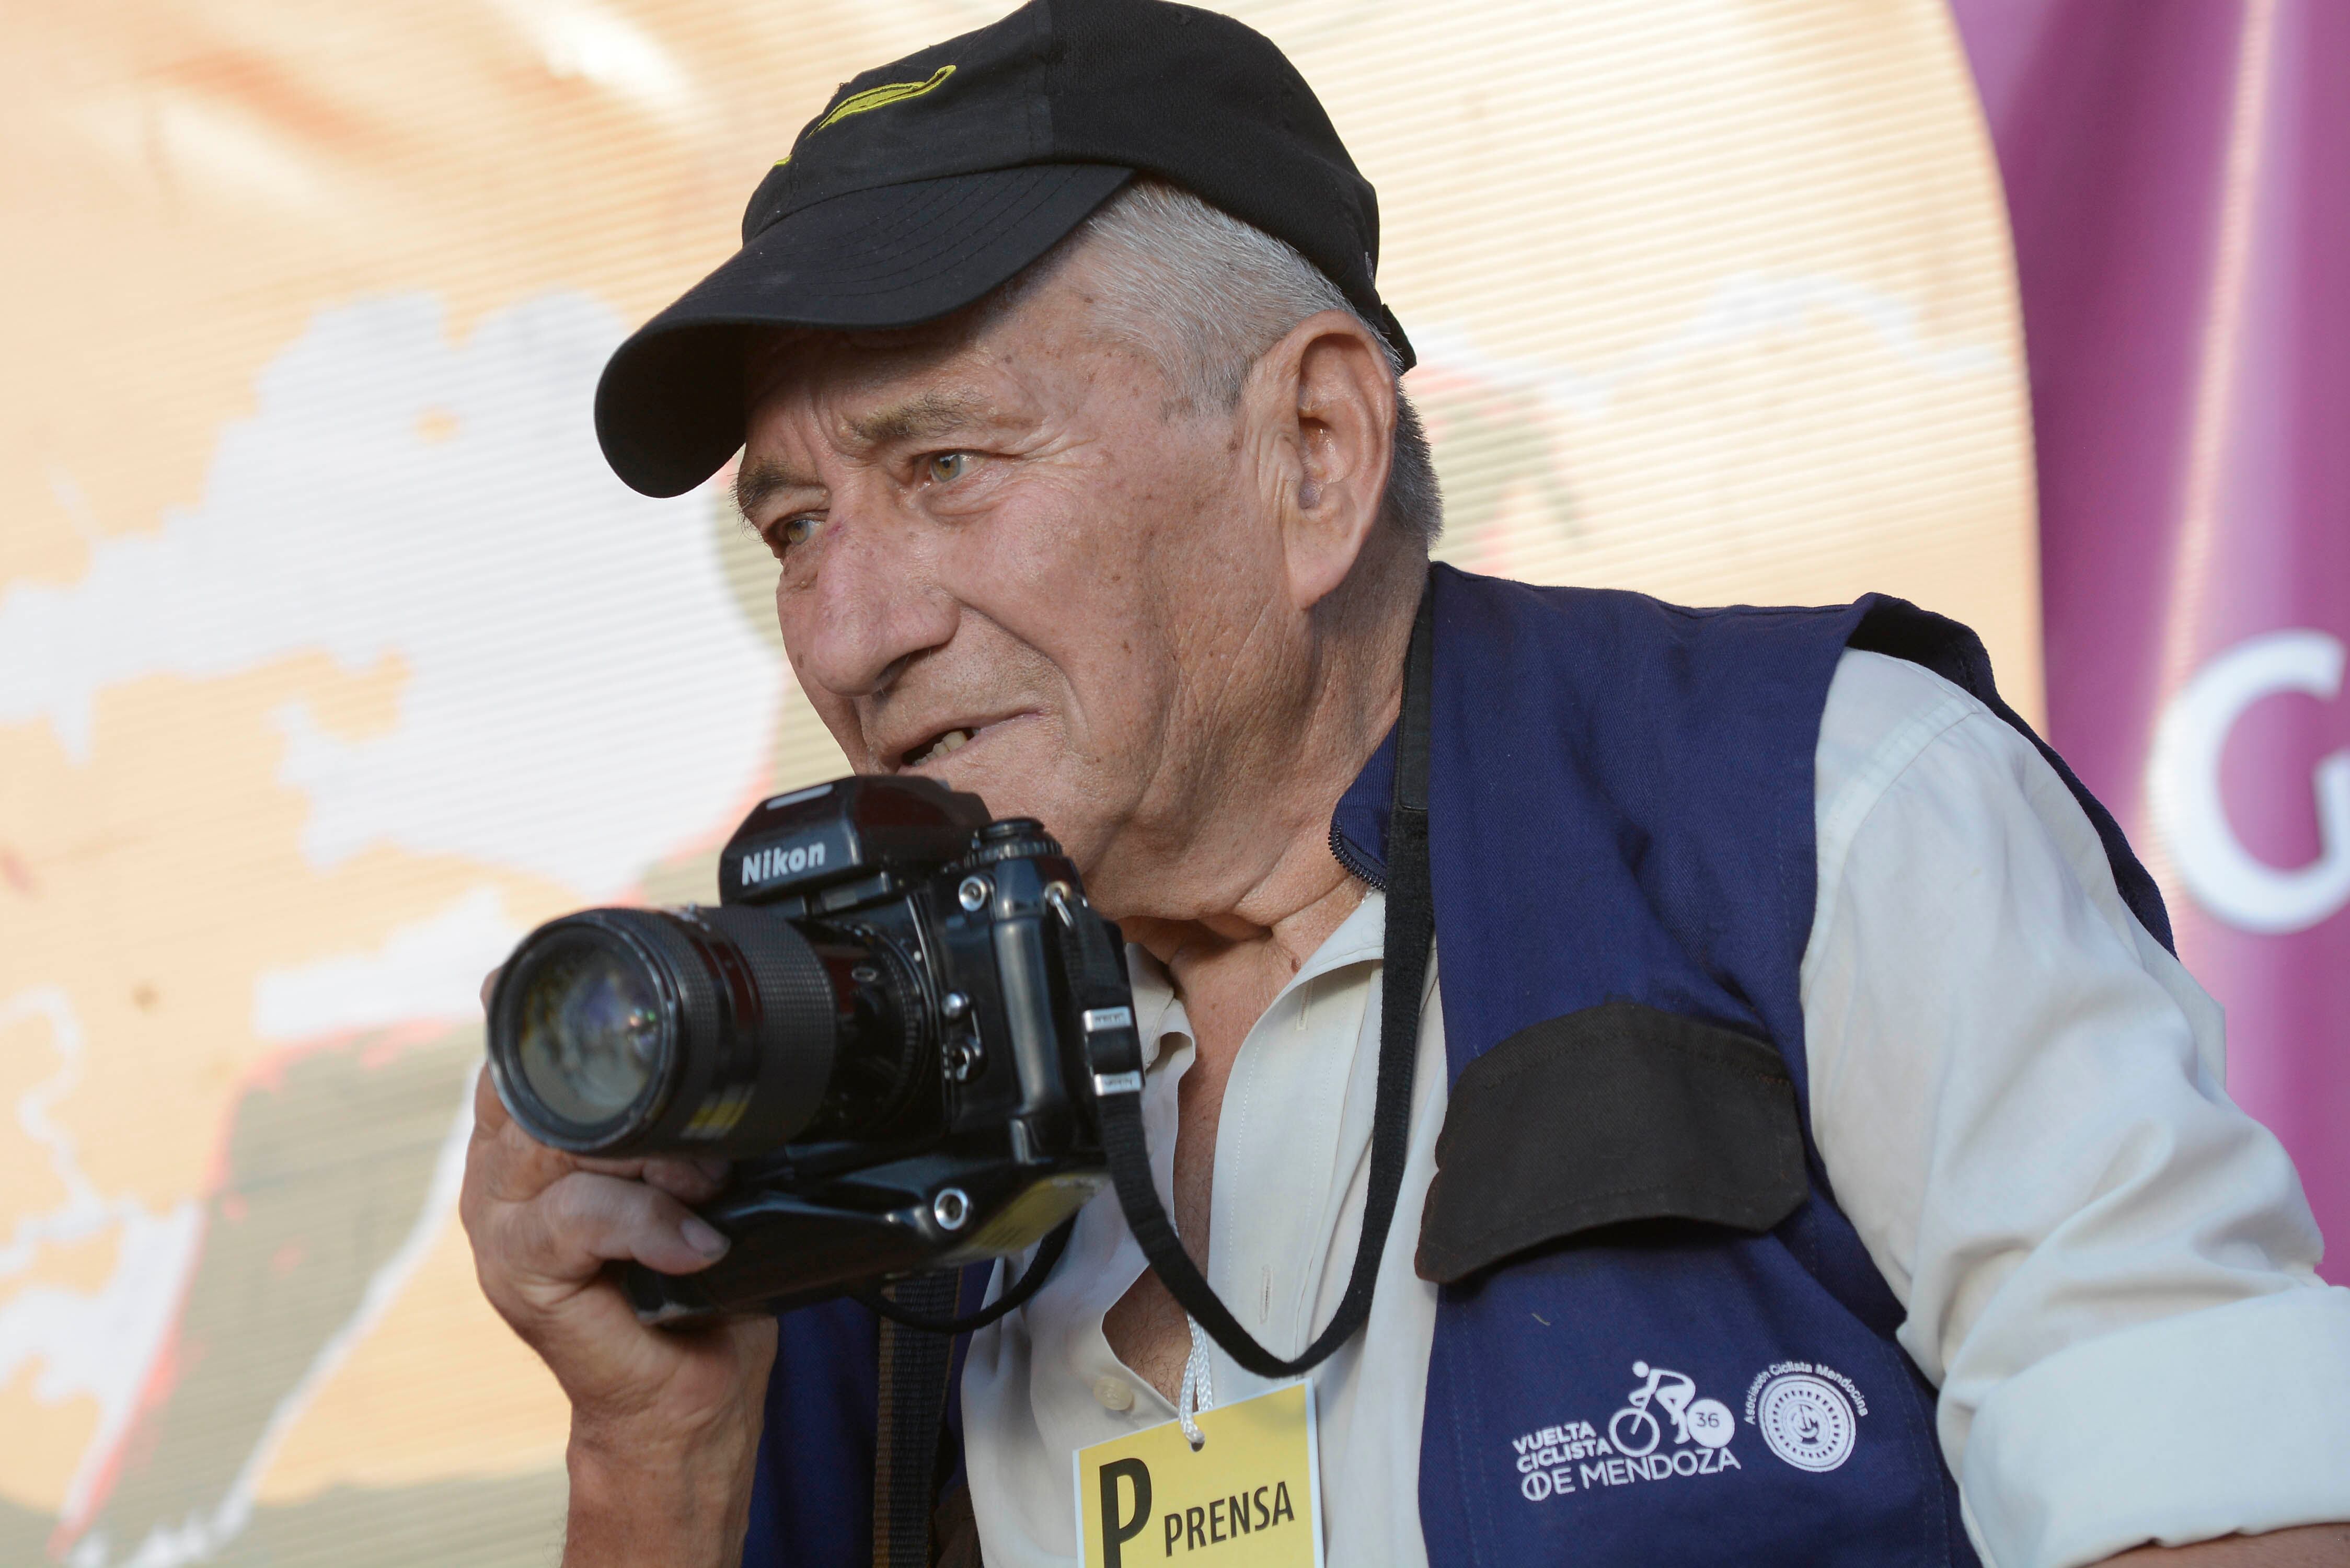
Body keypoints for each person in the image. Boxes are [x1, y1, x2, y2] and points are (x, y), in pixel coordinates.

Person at [458, 2, 2350, 1564]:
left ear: (1314, 451)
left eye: (946, 463)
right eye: (790, 525)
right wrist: (657, 1456)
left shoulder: (1823, 807)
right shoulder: (838, 1072)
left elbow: (2225, 1522)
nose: (847, 628)